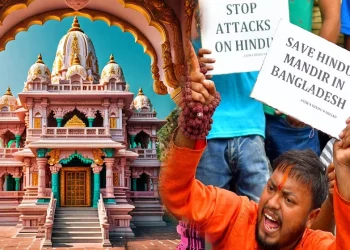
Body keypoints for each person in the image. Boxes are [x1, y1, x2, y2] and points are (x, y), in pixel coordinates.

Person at [159, 51, 349, 249]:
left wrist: (344, 183)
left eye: (289, 200)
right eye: (271, 188)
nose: (272, 203)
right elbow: (178, 196)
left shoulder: (314, 244)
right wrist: (194, 121)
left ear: (311, 218)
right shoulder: (236, 215)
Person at [264, 0, 340, 163]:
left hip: (289, 108)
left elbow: (332, 17)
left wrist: (305, 92)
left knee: (302, 184)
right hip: (238, 107)